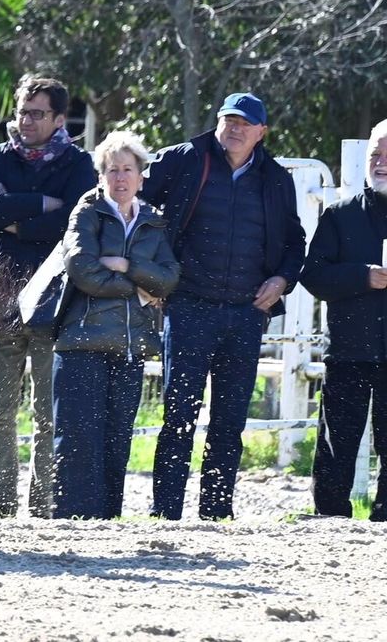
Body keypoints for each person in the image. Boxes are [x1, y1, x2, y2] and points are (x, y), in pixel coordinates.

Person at [143, 92, 305, 521]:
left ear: (261, 132)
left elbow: (295, 242)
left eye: (245, 123)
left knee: (230, 420)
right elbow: (136, 205)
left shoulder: (276, 179)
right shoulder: (183, 159)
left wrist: (282, 280)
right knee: (179, 413)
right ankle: (165, 513)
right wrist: (152, 272)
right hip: (189, 305)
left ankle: (216, 513)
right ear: (217, 123)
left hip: (246, 313)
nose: (235, 129)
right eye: (229, 120)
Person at [0, 74, 97, 518]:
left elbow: (74, 219)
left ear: (59, 119)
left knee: (48, 413)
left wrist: (14, 220)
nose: (26, 120)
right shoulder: (0, 156)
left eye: (37, 113)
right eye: (22, 111)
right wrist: (42, 203)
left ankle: (42, 505)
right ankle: (1, 503)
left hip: (53, 299)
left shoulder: (78, 163)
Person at [49, 131, 179, 519]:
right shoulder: (86, 213)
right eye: (112, 169)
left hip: (130, 345)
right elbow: (83, 269)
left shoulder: (153, 221)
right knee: (77, 438)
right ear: (101, 175)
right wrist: (139, 291)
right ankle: (72, 519)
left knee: (117, 438)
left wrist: (127, 265)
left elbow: (169, 278)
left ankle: (108, 520)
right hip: (82, 340)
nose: (120, 177)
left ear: (141, 176)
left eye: (127, 169)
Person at [298, 118, 387, 521]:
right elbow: (313, 275)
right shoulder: (340, 215)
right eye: (375, 154)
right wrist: (362, 276)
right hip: (349, 350)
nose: (380, 163)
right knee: (337, 444)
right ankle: (330, 519)